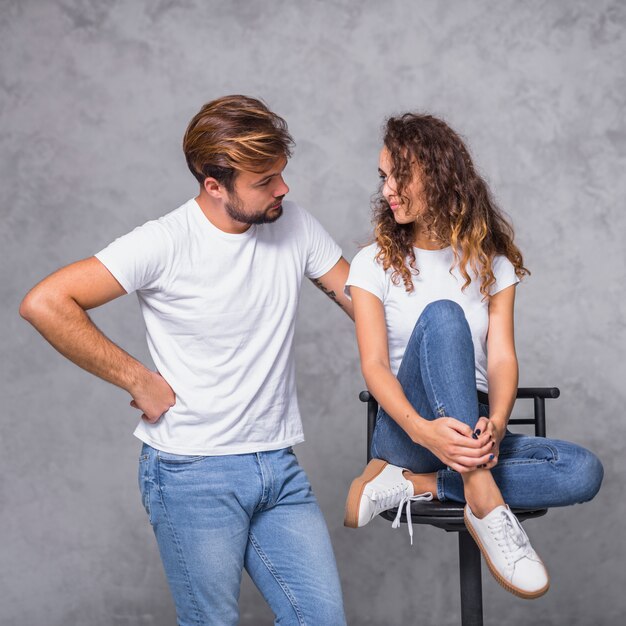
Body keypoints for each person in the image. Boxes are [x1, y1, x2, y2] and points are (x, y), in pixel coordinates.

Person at [20, 95, 352, 625]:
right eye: (264, 181)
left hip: (277, 465)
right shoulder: (165, 242)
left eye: (281, 175)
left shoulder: (295, 225)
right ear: (213, 185)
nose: (282, 189)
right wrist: (136, 378)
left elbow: (368, 309)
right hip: (191, 471)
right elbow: (45, 303)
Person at [343, 112, 603, 600]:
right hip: (409, 429)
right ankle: (481, 499)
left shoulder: (491, 260)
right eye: (383, 177)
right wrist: (423, 429)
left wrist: (499, 422)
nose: (388, 190)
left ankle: (420, 485)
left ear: (439, 174)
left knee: (583, 470)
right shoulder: (372, 263)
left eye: (400, 175)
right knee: (443, 315)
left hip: (472, 428)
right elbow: (375, 366)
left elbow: (502, 358)